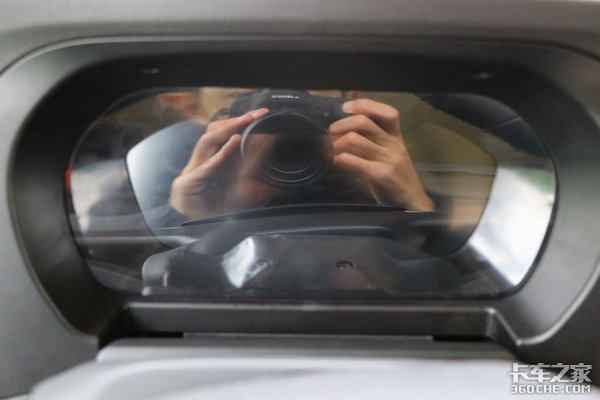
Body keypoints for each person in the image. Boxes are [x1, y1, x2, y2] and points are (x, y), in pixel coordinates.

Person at [160, 88, 435, 222]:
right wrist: (191, 217)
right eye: (246, 96)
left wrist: (414, 208)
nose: (285, 123)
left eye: (306, 98)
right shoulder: (167, 172)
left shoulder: (378, 179)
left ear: (349, 102)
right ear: (192, 109)